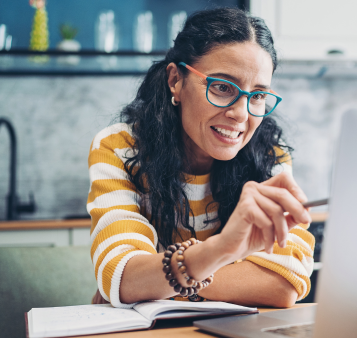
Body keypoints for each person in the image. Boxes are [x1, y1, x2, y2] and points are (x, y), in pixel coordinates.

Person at [87, 8, 315, 309]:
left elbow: (284, 285)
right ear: (175, 81)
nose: (241, 114)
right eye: (222, 87)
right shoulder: (121, 147)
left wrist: (158, 283)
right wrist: (221, 251)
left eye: (257, 96)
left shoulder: (270, 154)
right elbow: (123, 276)